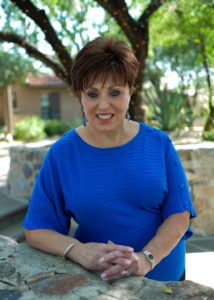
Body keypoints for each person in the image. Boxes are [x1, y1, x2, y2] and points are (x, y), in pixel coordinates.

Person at [23, 37, 196, 282]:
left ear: (130, 92)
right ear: (80, 95)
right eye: (92, 94)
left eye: (114, 92)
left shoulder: (159, 144)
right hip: (97, 282)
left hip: (164, 279)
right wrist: (78, 250)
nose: (103, 106)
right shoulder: (62, 154)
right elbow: (36, 229)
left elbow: (180, 215)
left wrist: (145, 259)